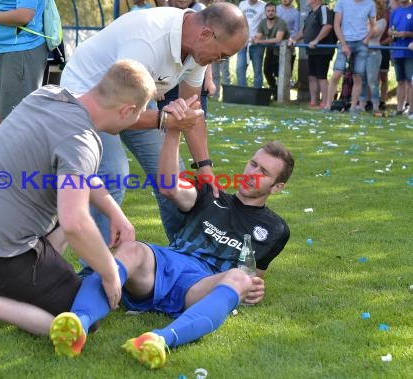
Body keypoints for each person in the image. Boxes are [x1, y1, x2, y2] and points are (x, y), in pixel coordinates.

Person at [0, 60, 157, 338]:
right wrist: (109, 272)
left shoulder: (48, 95)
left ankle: (27, 280)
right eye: (140, 112)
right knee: (78, 320)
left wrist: (114, 212)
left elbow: (77, 172)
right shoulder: (81, 140)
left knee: (67, 208)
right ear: (127, 110)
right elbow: (75, 223)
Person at [49, 138, 295, 369]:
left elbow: (253, 274)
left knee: (239, 279)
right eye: (253, 164)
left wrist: (254, 288)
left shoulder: (275, 230)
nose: (252, 174)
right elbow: (169, 186)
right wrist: (173, 131)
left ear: (277, 187)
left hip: (201, 285)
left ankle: (158, 340)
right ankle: (77, 324)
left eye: (264, 172)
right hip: (166, 265)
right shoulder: (211, 193)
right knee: (132, 249)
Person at [60, 3, 249, 244]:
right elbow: (116, 113)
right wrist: (166, 119)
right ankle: (98, 271)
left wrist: (204, 167)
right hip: (86, 100)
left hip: (131, 98)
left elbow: (191, 109)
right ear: (205, 34)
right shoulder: (147, 40)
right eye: (222, 55)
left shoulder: (197, 49)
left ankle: (184, 258)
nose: (220, 61)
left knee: (175, 180)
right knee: (113, 174)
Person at [0, 0, 48, 127]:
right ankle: (1, 147)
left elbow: (24, 15)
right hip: (3, 50)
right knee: (1, 114)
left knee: (16, 118)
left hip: (20, 50)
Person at [323, 0, 376, 114]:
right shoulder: (342, 2)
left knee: (358, 77)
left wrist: (367, 39)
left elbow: (373, 25)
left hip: (361, 44)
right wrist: (343, 44)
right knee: (336, 74)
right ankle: (327, 106)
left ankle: (352, 108)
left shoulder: (370, 4)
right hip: (345, 41)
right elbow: (336, 25)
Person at [289, 0, 335, 109]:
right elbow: (304, 31)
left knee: (321, 77)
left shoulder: (323, 9)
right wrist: (294, 39)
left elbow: (327, 26)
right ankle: (313, 102)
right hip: (312, 51)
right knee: (312, 77)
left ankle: (325, 103)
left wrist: (316, 40)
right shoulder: (311, 13)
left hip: (323, 50)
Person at [254, 2, 289, 99]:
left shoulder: (281, 22)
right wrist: (253, 39)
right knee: (266, 71)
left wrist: (260, 41)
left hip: (284, 51)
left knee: (280, 74)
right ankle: (275, 92)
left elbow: (278, 39)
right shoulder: (262, 22)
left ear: (276, 12)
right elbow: (258, 36)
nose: (270, 13)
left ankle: (281, 97)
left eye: (273, 11)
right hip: (270, 50)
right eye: (268, 11)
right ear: (265, 12)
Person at [359, 0, 387, 116]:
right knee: (362, 80)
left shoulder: (382, 21)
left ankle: (376, 106)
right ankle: (361, 106)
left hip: (374, 53)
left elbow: (374, 33)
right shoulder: (363, 20)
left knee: (372, 80)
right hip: (362, 52)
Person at [389, 0, 413, 117]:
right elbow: (390, 30)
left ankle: (411, 110)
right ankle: (399, 109)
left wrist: (407, 34)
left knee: (411, 81)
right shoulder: (395, 12)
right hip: (397, 51)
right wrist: (392, 33)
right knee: (400, 81)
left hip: (410, 52)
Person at [236, 0, 266, 88]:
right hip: (243, 43)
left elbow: (265, 24)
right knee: (240, 68)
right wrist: (241, 37)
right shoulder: (242, 4)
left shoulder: (263, 6)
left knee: (257, 71)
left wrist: (257, 37)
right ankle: (242, 92)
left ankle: (257, 95)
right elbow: (238, 22)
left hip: (257, 43)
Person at [276, 0, 299, 78]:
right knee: (268, 70)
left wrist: (289, 40)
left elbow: (296, 30)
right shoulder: (275, 9)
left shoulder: (296, 13)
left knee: (286, 73)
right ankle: (273, 89)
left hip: (288, 46)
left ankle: (285, 89)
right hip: (274, 45)